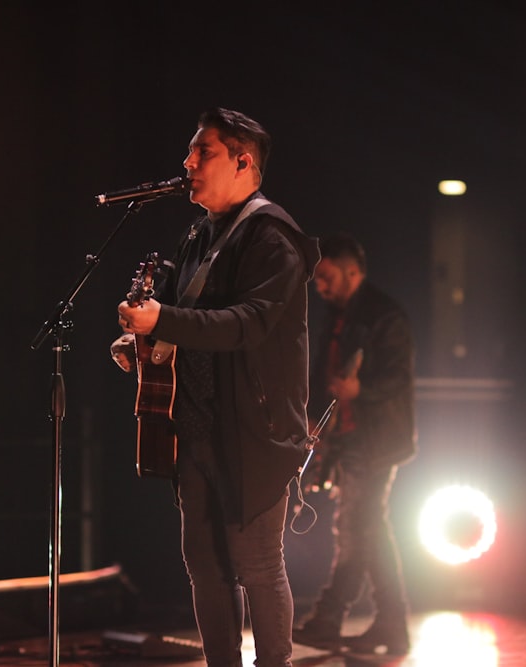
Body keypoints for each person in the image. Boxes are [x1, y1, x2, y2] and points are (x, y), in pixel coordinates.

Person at [111, 107, 321, 667]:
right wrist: (144, 340)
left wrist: (165, 322)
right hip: (194, 427)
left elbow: (247, 324)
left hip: (255, 431)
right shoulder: (198, 235)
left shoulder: (274, 237)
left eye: (202, 151)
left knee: (257, 567)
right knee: (205, 567)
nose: (187, 163)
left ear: (243, 161)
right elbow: (180, 315)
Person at [292, 232, 417, 657]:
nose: (320, 285)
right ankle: (392, 625)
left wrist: (358, 388)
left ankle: (331, 617)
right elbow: (324, 371)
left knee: (356, 530)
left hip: (375, 438)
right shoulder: (338, 315)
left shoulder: (384, 314)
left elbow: (399, 376)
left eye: (325, 276)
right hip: (351, 437)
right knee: (369, 531)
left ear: (351, 270)